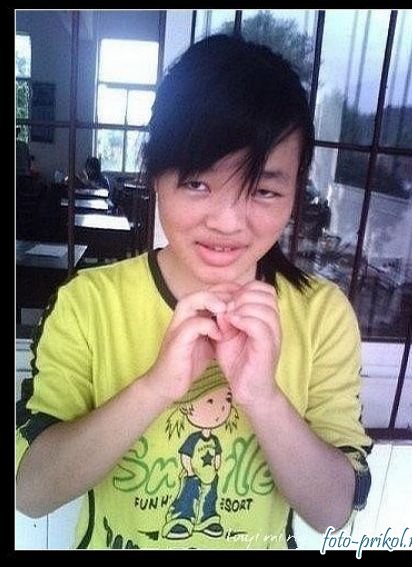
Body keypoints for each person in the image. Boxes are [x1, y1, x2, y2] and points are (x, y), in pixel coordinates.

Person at [16, 34, 372, 550]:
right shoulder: (87, 305)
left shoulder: (323, 316)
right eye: (197, 183)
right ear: (155, 175)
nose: (227, 222)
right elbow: (31, 492)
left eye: (263, 190)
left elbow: (334, 513)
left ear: (295, 192)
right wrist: (155, 387)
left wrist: (264, 398)